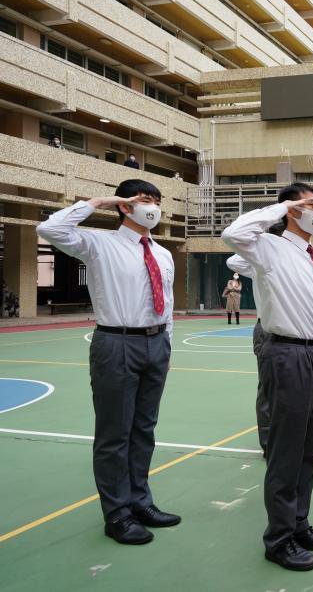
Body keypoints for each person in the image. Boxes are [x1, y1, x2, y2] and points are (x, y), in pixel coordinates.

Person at [36, 179, 179, 545]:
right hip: (116, 342)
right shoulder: (99, 244)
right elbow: (49, 229)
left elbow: (169, 303)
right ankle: (116, 514)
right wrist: (97, 201)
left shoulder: (162, 253)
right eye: (144, 200)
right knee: (115, 433)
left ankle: (139, 501)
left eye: (157, 201)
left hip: (155, 343)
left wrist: (168, 347)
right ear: (124, 206)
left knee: (144, 429)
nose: (153, 206)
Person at [222, 182, 313, 571]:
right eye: (310, 204)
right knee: (286, 451)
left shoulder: (310, 256)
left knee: (307, 447)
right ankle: (279, 538)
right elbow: (232, 234)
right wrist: (281, 206)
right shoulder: (268, 246)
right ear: (292, 208)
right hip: (285, 353)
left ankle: (299, 523)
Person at [226, 254, 268, 456]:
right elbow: (232, 262)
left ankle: (286, 438)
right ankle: (269, 443)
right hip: (267, 329)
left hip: (294, 333)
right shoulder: (260, 265)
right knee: (269, 389)